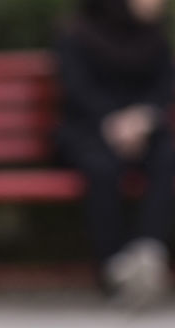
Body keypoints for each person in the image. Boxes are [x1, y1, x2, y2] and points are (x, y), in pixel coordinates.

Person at [56, 0, 175, 306]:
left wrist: (141, 119)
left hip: (144, 130)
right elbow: (76, 88)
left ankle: (148, 253)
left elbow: (164, 88)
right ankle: (114, 268)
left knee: (169, 156)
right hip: (89, 129)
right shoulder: (77, 34)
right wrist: (112, 121)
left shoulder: (154, 38)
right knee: (101, 166)